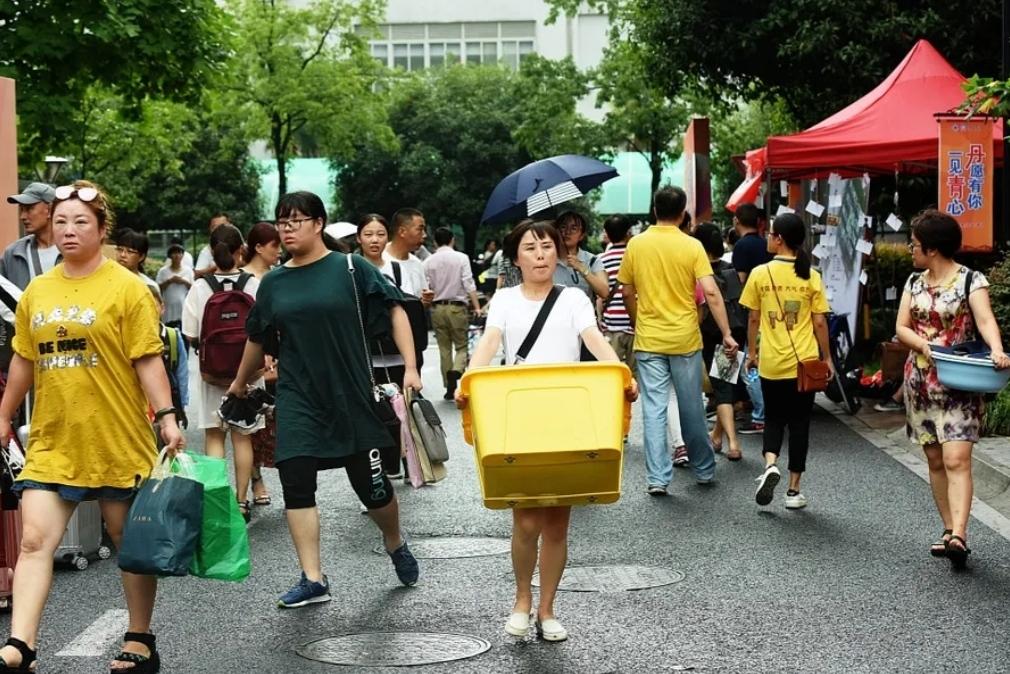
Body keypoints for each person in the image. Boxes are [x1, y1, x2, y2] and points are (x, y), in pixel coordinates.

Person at [0, 180, 184, 673]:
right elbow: (23, 358)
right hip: (52, 439)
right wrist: (3, 414)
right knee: (36, 541)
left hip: (114, 437)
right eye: (60, 222)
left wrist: (166, 417)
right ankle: (22, 645)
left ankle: (140, 636)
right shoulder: (38, 291)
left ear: (102, 230)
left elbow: (148, 359)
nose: (68, 231)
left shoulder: (127, 288)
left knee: (128, 542)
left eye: (81, 222)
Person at [227, 191, 421, 608]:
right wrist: (239, 384)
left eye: (295, 221)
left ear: (318, 224)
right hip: (299, 399)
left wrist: (411, 367)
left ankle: (394, 541)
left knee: (373, 490)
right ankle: (313, 578)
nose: (287, 229)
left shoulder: (349, 269)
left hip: (351, 397)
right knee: (296, 483)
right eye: (281, 222)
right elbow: (258, 338)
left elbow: (395, 311)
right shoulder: (274, 282)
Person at [457, 219, 637, 643]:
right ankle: (522, 599)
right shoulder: (503, 299)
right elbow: (489, 343)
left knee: (557, 523)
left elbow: (593, 338)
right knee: (525, 521)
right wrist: (468, 379)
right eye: (530, 247)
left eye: (547, 246)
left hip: (567, 414)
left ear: (558, 253)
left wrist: (620, 371)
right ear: (516, 257)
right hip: (519, 415)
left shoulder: (574, 297)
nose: (540, 254)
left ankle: (547, 609)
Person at [896, 209, 1009, 567]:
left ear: (931, 248)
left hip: (959, 382)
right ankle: (948, 530)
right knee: (934, 458)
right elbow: (902, 327)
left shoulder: (970, 281)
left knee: (956, 458)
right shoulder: (913, 283)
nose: (910, 250)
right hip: (921, 382)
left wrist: (996, 349)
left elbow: (985, 319)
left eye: (914, 244)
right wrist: (923, 345)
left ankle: (960, 533)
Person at [618, 186, 738, 495]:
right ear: (683, 213)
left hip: (649, 338)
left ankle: (658, 478)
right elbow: (710, 292)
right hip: (685, 338)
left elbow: (627, 291)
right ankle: (703, 469)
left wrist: (636, 319)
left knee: (655, 409)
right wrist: (726, 332)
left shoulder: (637, 245)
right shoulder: (692, 246)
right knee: (690, 407)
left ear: (655, 210)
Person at [741, 213, 833, 511]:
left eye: (770, 234)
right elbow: (819, 323)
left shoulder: (759, 273)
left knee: (774, 418)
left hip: (771, 362)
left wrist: (752, 354)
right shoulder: (811, 275)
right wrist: (827, 357)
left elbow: (753, 318)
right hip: (803, 363)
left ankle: (770, 465)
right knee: (800, 424)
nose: (768, 238)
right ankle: (793, 491)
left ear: (779, 238)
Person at [182, 223, 260, 521]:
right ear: (241, 250)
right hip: (248, 374)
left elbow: (190, 333)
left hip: (211, 376)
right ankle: (241, 502)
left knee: (215, 436)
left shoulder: (200, 288)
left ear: (212, 252)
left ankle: (217, 502)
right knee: (242, 437)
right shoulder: (253, 285)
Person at [694, 223, 747, 461]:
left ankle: (734, 444)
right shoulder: (731, 269)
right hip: (737, 332)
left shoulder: (700, 273)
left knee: (722, 389)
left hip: (712, 333)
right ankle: (716, 436)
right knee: (725, 383)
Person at [241, 222, 283, 508]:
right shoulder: (243, 280)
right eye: (274, 246)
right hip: (249, 361)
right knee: (249, 425)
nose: (279, 252)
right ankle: (256, 481)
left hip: (277, 360)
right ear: (258, 247)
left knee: (273, 424)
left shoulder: (278, 278)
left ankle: (286, 480)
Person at [424, 227, 482, 400]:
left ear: (435, 242)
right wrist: (477, 306)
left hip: (437, 308)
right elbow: (468, 283)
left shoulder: (428, 261)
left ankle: (449, 387)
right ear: (452, 240)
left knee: (444, 349)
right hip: (457, 307)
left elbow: (426, 287)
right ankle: (457, 370)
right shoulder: (461, 258)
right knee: (461, 346)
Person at [732, 203, 771, 435]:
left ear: (737, 221)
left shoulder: (741, 246)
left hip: (751, 312)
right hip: (771, 311)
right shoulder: (767, 244)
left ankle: (760, 416)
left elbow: (740, 281)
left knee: (750, 365)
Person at [2, 183, 61, 290]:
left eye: (29, 209)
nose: (22, 217)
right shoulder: (13, 254)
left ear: (50, 210)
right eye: (21, 209)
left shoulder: (73, 249)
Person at [598, 214, 635, 372]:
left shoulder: (601, 260)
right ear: (628, 233)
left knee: (615, 373)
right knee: (636, 374)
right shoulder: (635, 256)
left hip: (612, 326)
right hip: (635, 325)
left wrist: (600, 319)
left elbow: (601, 294)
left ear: (607, 234)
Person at [384, 208, 434, 307]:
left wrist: (425, 301)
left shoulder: (417, 264)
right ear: (402, 231)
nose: (424, 235)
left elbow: (421, 302)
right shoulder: (378, 260)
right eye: (420, 229)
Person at [554, 211, 608, 301]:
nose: (567, 232)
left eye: (573, 228)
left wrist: (582, 268)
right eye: (563, 227)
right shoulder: (548, 261)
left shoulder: (592, 260)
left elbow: (604, 292)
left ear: (581, 236)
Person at [155, 243, 194, 331]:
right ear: (170, 256)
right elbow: (158, 288)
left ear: (182, 255)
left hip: (183, 307)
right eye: (174, 253)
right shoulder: (163, 271)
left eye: (179, 253)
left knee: (183, 332)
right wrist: (170, 281)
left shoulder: (188, 271)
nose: (177, 256)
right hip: (168, 308)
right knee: (169, 333)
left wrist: (183, 281)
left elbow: (193, 288)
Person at [115, 228, 162, 297]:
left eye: (129, 251)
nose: (122, 255)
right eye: (120, 249)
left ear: (141, 257)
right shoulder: (107, 280)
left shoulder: (148, 286)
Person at [194, 213, 230, 280]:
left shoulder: (240, 246)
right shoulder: (207, 251)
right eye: (214, 227)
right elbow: (197, 275)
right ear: (210, 229)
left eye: (221, 226)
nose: (218, 230)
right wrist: (217, 266)